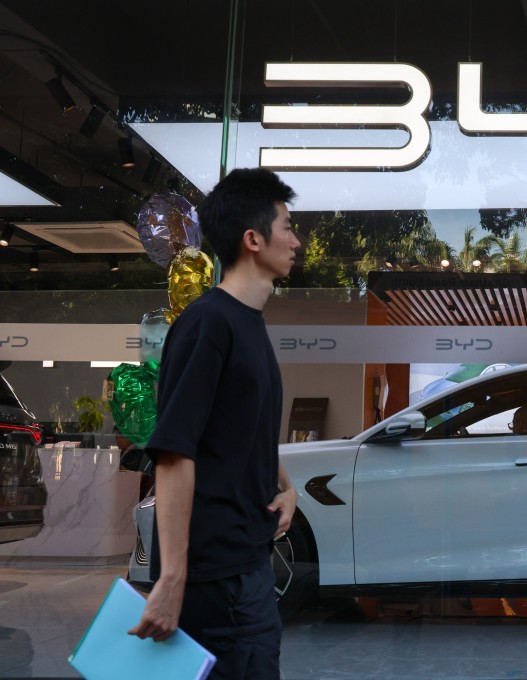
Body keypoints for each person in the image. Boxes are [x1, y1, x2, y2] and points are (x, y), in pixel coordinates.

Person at [129, 168, 300, 679]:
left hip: (247, 562)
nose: (296, 241)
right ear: (253, 239)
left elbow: (240, 431)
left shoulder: (247, 323)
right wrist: (172, 579)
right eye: (287, 227)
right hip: (218, 579)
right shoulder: (208, 322)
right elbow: (174, 452)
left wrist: (286, 487)